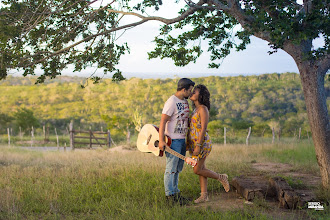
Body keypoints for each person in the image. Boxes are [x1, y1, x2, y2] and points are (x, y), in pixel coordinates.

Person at [187, 84, 230, 204]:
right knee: (202, 169)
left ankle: (221, 177)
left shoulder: (203, 108)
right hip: (195, 144)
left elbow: (203, 128)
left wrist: (198, 146)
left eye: (194, 92)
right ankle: (204, 195)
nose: (192, 93)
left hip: (202, 144)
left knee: (197, 170)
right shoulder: (195, 109)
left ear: (200, 96)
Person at [159, 78, 195, 205]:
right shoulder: (171, 101)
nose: (191, 93)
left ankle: (176, 193)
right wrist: (161, 140)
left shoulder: (185, 101)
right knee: (171, 168)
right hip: (173, 140)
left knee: (178, 168)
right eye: (189, 90)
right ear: (183, 89)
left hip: (181, 140)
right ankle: (170, 196)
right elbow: (163, 121)